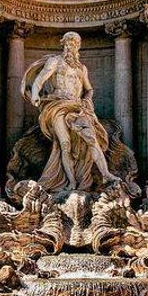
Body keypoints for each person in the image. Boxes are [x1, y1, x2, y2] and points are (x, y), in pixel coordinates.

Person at [23, 31, 114, 195]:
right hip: (57, 106)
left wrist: (87, 100)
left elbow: (89, 89)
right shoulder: (55, 62)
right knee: (64, 144)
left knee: (92, 139)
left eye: (76, 43)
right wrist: (35, 94)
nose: (72, 46)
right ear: (63, 45)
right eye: (69, 43)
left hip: (77, 107)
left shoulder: (81, 68)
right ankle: (71, 182)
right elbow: (39, 80)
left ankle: (106, 174)